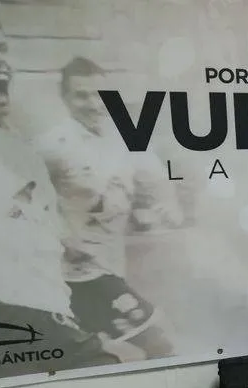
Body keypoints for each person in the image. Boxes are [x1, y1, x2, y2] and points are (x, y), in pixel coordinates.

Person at [0, 26, 122, 378]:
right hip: (21, 321)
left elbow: (40, 225)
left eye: (1, 46)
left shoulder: (18, 148)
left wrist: (71, 244)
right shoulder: (50, 146)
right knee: (107, 368)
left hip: (59, 303)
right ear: (65, 98)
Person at [36, 56, 183, 360]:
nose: (93, 104)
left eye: (99, 94)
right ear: (65, 98)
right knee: (160, 342)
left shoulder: (124, 138)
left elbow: (155, 180)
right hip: (79, 274)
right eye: (81, 95)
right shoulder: (52, 145)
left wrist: (166, 205)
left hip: (111, 267)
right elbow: (19, 200)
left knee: (100, 358)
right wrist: (62, 236)